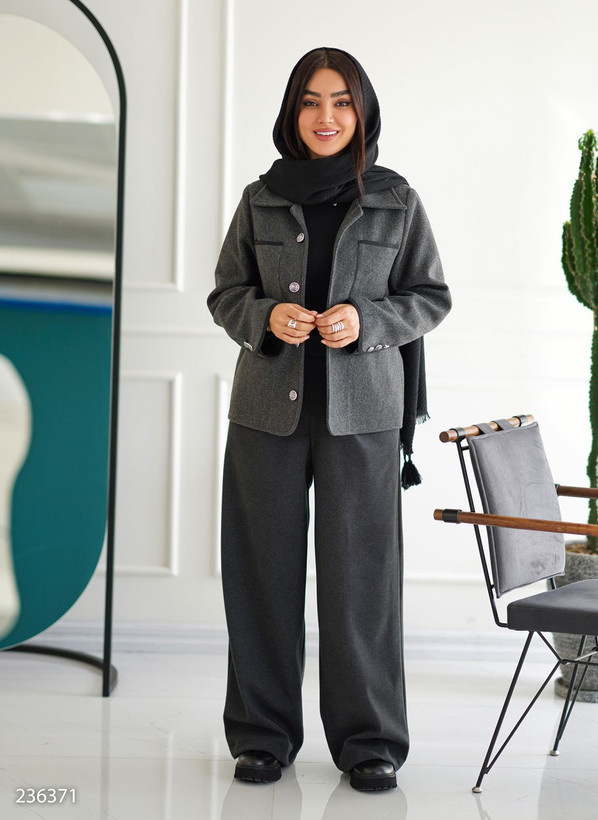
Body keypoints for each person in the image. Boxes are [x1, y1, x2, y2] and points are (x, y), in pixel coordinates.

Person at [207, 47, 451, 792]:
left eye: (342, 101)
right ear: (293, 112)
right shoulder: (259, 199)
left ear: (362, 111)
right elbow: (226, 292)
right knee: (262, 579)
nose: (326, 116)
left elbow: (429, 296)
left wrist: (366, 320)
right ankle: (262, 738)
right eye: (312, 101)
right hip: (265, 417)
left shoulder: (396, 200)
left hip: (364, 417)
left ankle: (369, 740)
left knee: (361, 585)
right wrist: (265, 316)